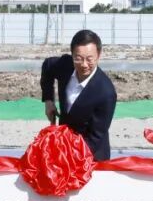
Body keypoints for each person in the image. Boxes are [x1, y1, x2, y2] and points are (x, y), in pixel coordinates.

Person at [40, 29, 118, 161]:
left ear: (99, 55)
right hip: (63, 144)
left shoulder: (106, 93)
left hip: (90, 155)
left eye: (89, 59)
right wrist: (48, 101)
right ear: (72, 55)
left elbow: (95, 137)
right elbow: (48, 66)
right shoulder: (65, 65)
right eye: (78, 59)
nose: (84, 65)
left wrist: (67, 157)